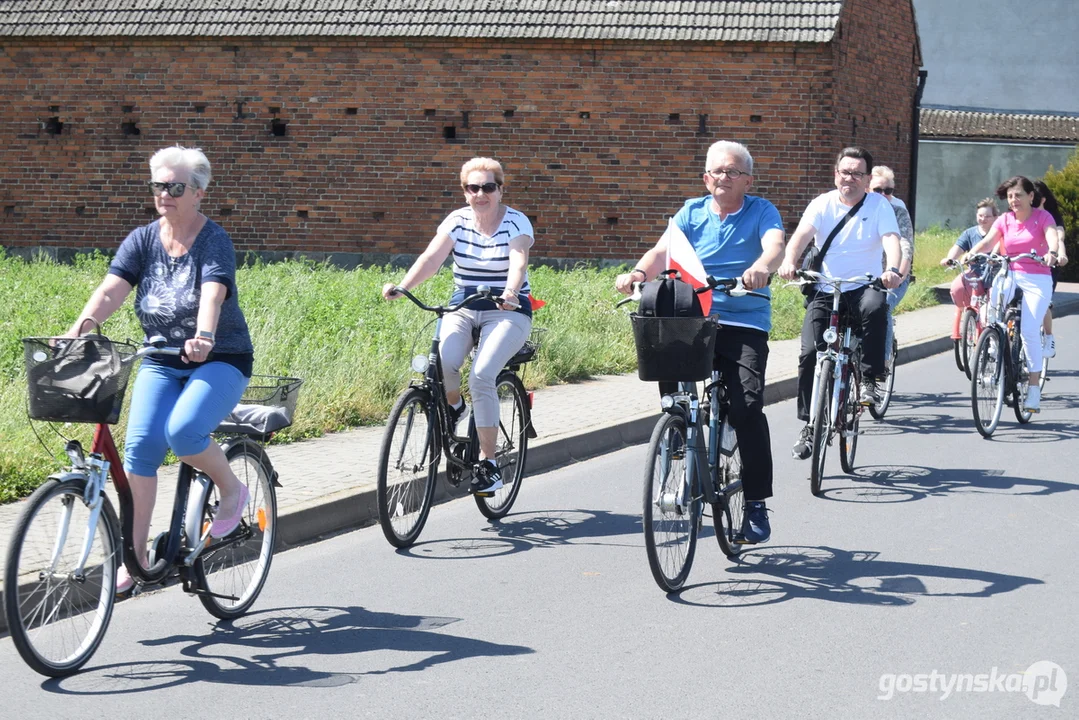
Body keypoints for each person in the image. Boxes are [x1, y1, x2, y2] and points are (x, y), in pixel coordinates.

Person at [65, 146, 254, 593]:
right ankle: (136, 558)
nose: (164, 194)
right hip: (160, 357)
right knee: (141, 451)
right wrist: (78, 331)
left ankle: (231, 490)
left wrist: (204, 336)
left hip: (221, 357)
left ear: (199, 193)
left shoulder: (214, 239)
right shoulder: (143, 239)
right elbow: (111, 291)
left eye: (175, 187)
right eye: (158, 185)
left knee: (184, 432)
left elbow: (212, 293)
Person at [615, 140, 785, 544]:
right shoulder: (691, 212)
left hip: (743, 317)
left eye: (732, 171)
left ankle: (757, 505)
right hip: (694, 315)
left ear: (748, 179)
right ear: (706, 178)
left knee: (746, 407)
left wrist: (761, 268)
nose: (723, 178)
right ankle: (677, 431)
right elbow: (663, 251)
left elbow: (774, 246)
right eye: (716, 172)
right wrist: (638, 273)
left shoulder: (762, 210)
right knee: (669, 372)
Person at [382, 157, 533, 495]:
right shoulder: (457, 221)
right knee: (444, 362)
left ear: (500, 189)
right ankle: (456, 408)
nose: (481, 194)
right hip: (464, 303)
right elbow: (431, 259)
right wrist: (403, 286)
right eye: (473, 187)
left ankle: (489, 464)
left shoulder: (516, 222)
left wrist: (510, 292)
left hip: (507, 309)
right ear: (465, 192)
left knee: (480, 375)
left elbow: (518, 261)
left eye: (488, 187)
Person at [779, 147, 902, 460]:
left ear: (866, 178)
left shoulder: (878, 205)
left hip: (865, 285)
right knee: (809, 353)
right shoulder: (822, 204)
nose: (850, 178)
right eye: (845, 172)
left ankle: (872, 380)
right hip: (827, 288)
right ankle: (809, 425)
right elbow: (801, 236)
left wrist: (893, 270)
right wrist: (789, 261)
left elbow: (892, 241)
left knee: (877, 308)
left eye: (857, 173)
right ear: (836, 175)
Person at [966, 176, 1064, 411]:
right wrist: (971, 253)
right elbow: (989, 242)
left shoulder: (1043, 217)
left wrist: (1051, 252)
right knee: (990, 311)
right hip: (1009, 273)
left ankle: (1032, 388)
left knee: (1029, 330)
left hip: (1037, 277)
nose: (1014, 200)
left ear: (1031, 197)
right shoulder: (1004, 219)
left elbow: (1052, 236)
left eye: (1019, 195)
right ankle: (992, 343)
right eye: (1010, 196)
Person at [869, 165, 914, 359]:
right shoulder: (860, 208)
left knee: (883, 305)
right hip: (866, 274)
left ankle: (882, 360)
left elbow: (906, 246)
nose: (883, 194)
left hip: (893, 275)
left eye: (888, 191)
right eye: (877, 190)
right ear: (867, 189)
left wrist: (898, 275)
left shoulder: (898, 210)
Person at [940, 198, 1000, 339]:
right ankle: (969, 318)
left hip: (995, 274)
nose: (983, 219)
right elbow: (957, 248)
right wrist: (950, 259)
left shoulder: (999, 233)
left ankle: (993, 332)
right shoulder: (969, 233)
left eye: (987, 216)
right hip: (975, 274)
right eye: (980, 215)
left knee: (993, 304)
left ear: (995, 218)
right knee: (957, 288)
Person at [1032, 180, 1069, 358]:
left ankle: (1048, 337)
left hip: (1047, 266)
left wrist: (1060, 254)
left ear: (1042, 199)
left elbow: (1058, 236)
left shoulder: (1051, 217)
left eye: (1034, 197)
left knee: (1043, 302)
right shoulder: (1021, 214)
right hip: (1026, 266)